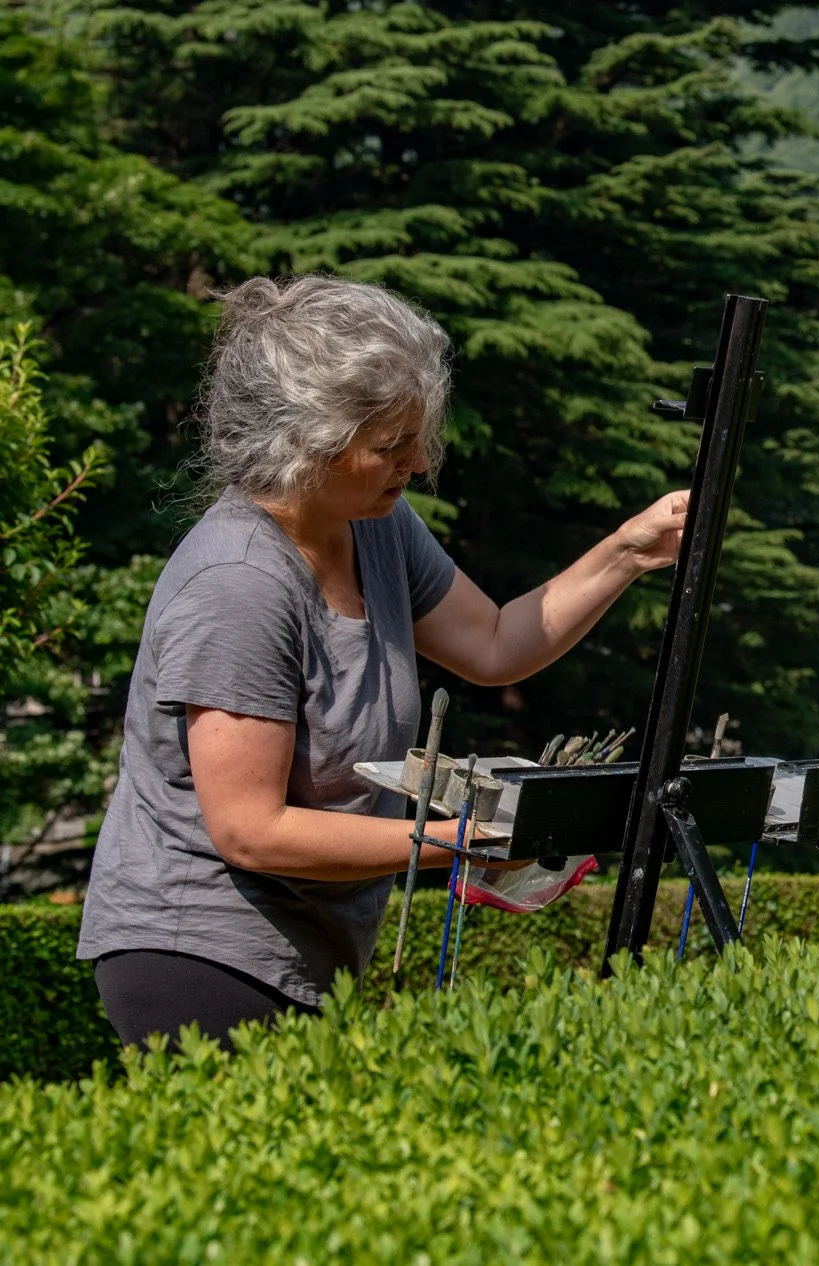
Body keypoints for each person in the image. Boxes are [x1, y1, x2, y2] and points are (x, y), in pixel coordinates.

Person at [77, 275, 689, 1048]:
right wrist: (462, 841)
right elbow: (250, 830)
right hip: (197, 954)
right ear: (307, 443)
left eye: (420, 437)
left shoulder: (377, 527)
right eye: (391, 446)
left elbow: (495, 644)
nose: (420, 462)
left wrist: (630, 550)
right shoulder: (239, 584)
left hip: (308, 949)